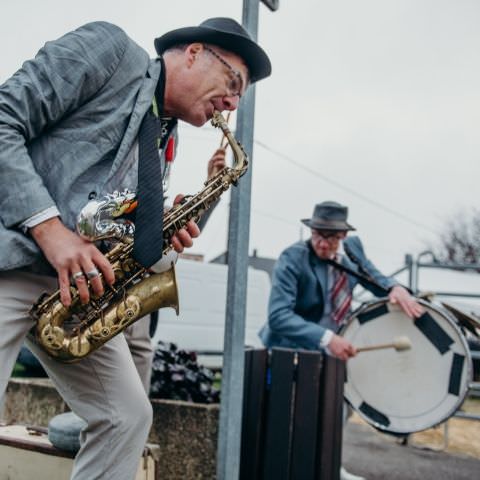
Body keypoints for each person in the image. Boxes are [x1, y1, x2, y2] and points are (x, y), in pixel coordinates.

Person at [0, 17, 271, 480]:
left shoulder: (167, 133)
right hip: (13, 258)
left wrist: (158, 227)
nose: (232, 102)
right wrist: (50, 229)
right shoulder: (110, 51)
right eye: (233, 82)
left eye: (239, 97)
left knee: (128, 416)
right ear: (193, 52)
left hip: (73, 294)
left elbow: (99, 212)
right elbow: (4, 118)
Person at [259, 200, 423, 480]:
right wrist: (327, 337)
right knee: (290, 417)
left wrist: (396, 288)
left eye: (331, 237)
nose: (322, 244)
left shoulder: (348, 258)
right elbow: (278, 316)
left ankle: (329, 464)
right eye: (317, 235)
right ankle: (285, 467)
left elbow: (375, 279)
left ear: (343, 237)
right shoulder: (293, 258)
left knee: (337, 408)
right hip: (288, 352)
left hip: (329, 354)